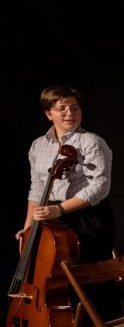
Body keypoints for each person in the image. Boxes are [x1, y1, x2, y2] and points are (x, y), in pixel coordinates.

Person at [20, 85, 114, 263]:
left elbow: (100, 186)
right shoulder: (37, 145)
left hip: (85, 217)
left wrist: (60, 209)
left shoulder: (92, 142)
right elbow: (37, 189)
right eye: (62, 108)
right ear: (49, 114)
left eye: (74, 108)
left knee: (87, 273)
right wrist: (28, 229)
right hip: (50, 217)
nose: (70, 113)